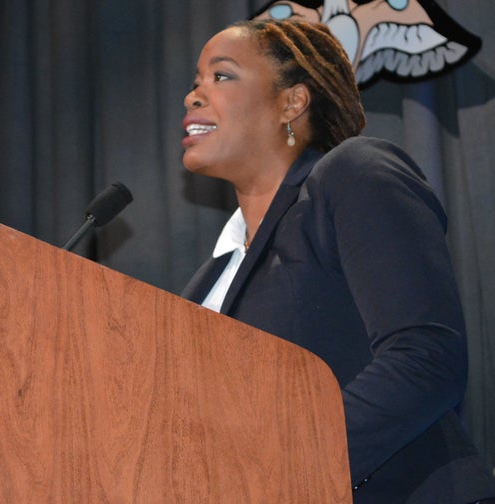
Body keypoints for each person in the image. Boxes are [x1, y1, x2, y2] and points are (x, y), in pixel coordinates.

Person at [180, 19, 495, 503]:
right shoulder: (208, 282)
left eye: (221, 76)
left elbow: (425, 357)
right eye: (196, 81)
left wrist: (280, 469)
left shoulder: (352, 174)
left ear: (292, 102)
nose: (193, 96)